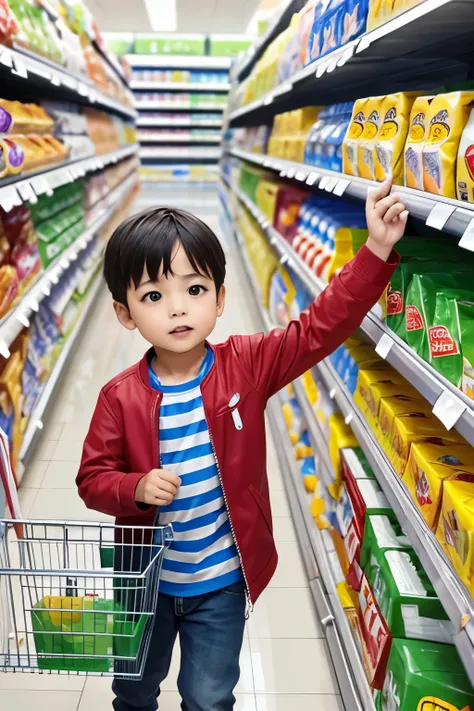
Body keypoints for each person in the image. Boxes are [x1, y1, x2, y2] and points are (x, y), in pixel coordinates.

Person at [76, 180, 407, 711]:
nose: (177, 309)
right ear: (125, 313)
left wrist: (375, 251)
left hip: (221, 583)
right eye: (154, 296)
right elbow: (91, 480)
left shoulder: (247, 366)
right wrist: (134, 487)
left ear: (221, 297)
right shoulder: (119, 398)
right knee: (135, 690)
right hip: (144, 583)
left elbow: (318, 329)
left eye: (195, 289)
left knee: (209, 698)